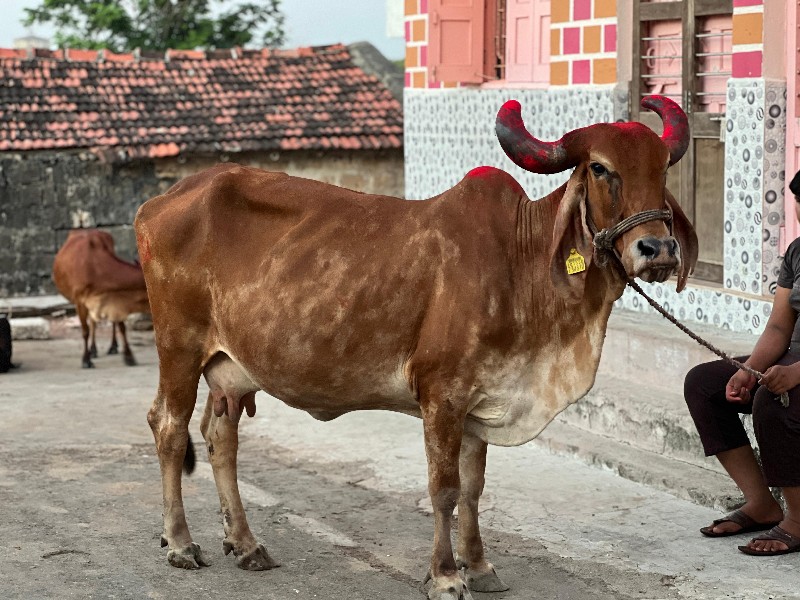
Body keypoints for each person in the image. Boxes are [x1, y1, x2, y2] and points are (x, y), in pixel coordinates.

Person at [684, 170, 800, 556]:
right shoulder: (798, 253)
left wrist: (797, 373)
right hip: (791, 360)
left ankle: (798, 521)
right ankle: (761, 503)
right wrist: (747, 370)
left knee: (773, 398)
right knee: (703, 384)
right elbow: (780, 326)